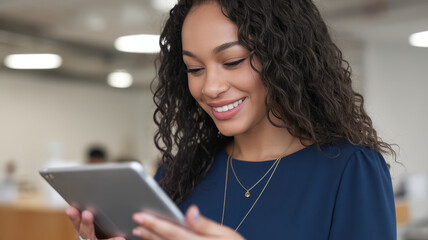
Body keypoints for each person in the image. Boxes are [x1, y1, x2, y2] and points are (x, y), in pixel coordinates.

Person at [66, 0, 397, 239]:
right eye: (194, 69)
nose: (210, 87)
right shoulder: (180, 172)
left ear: (285, 60)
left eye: (233, 61)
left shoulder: (350, 170)